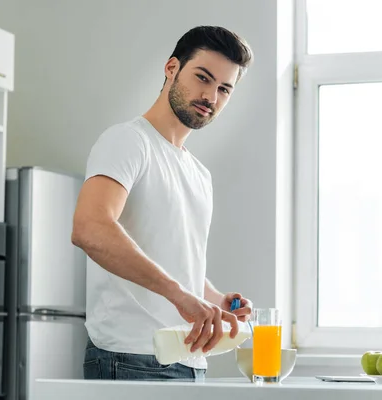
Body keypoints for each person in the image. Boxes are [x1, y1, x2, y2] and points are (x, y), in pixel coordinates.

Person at [71, 26, 254, 381]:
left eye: (224, 89)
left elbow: (169, 257)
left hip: (190, 361)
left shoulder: (199, 173)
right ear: (171, 68)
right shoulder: (128, 141)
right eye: (203, 77)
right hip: (130, 358)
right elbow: (90, 227)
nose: (210, 95)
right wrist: (180, 296)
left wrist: (214, 299)